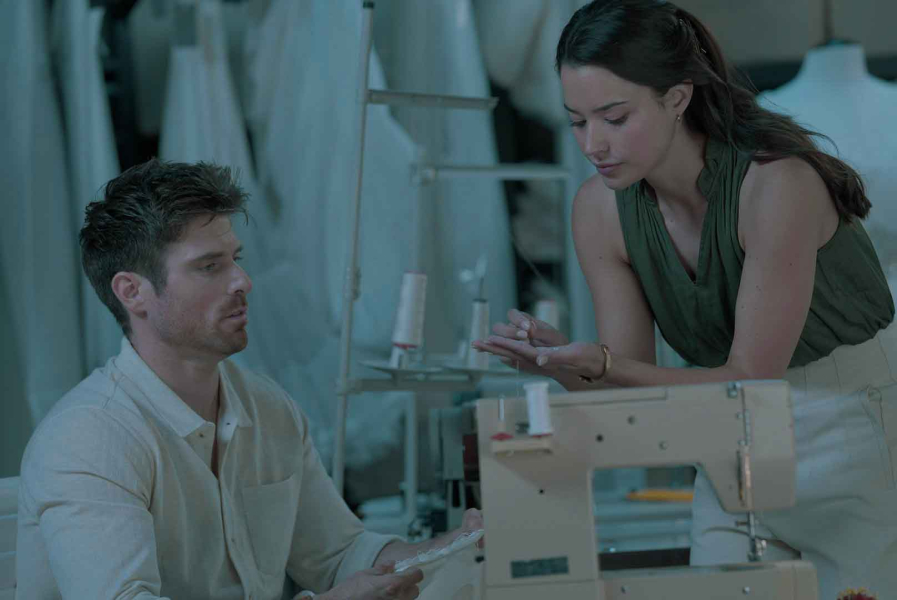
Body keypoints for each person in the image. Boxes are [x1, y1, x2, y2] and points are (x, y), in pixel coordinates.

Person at [472, 0, 897, 597]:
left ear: (677, 98)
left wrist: (602, 363)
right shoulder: (600, 210)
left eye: (614, 118)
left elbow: (749, 378)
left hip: (850, 431)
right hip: (725, 443)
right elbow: (629, 390)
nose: (593, 144)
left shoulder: (777, 184)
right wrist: (561, 363)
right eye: (577, 121)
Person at [16, 159, 481, 600]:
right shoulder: (88, 438)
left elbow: (340, 554)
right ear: (132, 291)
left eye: (235, 259)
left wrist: (458, 546)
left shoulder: (268, 407)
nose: (242, 281)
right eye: (209, 266)